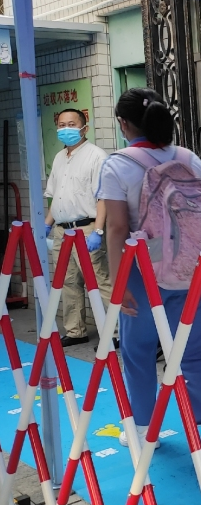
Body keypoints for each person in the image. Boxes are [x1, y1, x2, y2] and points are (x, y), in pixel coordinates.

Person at [97, 88, 201, 472]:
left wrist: (118, 281)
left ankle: (144, 430)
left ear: (124, 124)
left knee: (138, 350)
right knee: (194, 349)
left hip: (146, 272)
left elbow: (117, 227)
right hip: (195, 269)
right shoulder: (189, 159)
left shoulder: (118, 165)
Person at [44, 108, 113, 347]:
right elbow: (56, 196)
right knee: (68, 281)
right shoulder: (59, 157)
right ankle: (75, 331)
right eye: (62, 125)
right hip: (62, 230)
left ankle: (117, 332)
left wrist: (98, 231)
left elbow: (103, 197)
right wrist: (46, 226)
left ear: (85, 128)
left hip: (87, 229)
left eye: (71, 124)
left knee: (99, 280)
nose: (66, 129)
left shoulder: (96, 156)